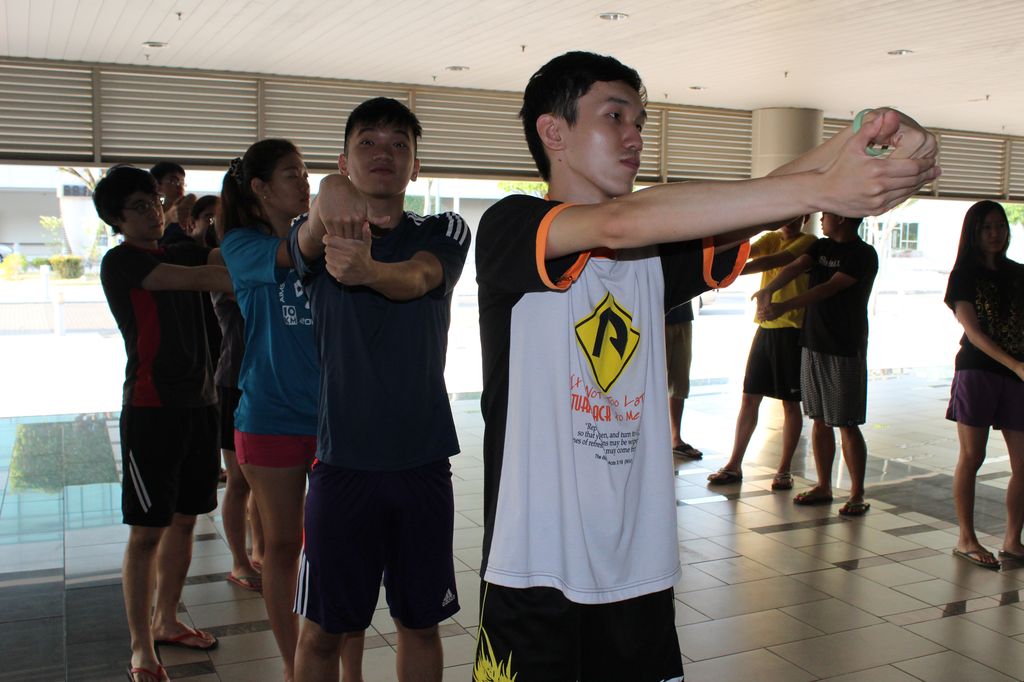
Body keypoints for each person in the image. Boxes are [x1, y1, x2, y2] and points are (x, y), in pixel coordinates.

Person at [474, 50, 938, 680]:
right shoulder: (511, 228)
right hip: (532, 568)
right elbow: (621, 221)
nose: (636, 137)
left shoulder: (652, 255)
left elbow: (752, 203)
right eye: (615, 117)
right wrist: (824, 186)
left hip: (637, 566)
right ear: (553, 132)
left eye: (640, 122)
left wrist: (858, 142)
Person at [290, 97, 470, 682]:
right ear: (345, 160)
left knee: (420, 624)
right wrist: (327, 192)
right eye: (367, 141)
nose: (383, 153)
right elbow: (308, 237)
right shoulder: (316, 236)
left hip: (422, 462)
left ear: (416, 166)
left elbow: (422, 276)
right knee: (321, 632)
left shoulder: (442, 229)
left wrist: (368, 271)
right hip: (342, 466)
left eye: (398, 144)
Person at [95, 166, 231, 682]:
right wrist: (246, 269)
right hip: (151, 410)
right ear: (116, 219)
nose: (153, 212)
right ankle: (140, 649)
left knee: (186, 520)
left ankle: (167, 620)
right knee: (147, 532)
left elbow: (217, 257)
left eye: (154, 202)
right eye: (139, 206)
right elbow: (202, 277)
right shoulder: (122, 262)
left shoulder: (178, 249)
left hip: (201, 403)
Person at [218, 140, 318, 682]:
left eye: (305, 173)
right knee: (282, 545)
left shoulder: (326, 241)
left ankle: (337, 661)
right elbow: (293, 252)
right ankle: (291, 661)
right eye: (291, 174)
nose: (304, 182)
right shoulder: (241, 245)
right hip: (270, 417)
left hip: (333, 420)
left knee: (333, 547)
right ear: (259, 189)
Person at [754, 212, 878, 516]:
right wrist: (769, 289)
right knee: (819, 419)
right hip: (812, 342)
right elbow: (794, 267)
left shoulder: (862, 254)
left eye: (827, 214)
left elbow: (828, 288)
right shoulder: (822, 246)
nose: (822, 218)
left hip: (843, 346)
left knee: (846, 423)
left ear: (844, 218)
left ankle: (857, 494)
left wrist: (783, 305)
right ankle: (824, 485)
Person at [944, 200, 1024, 570]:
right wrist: (1015, 365)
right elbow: (972, 332)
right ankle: (966, 538)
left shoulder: (1018, 273)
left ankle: (1012, 540)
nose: (996, 233)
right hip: (978, 371)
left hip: (1017, 375)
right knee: (972, 456)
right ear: (974, 232)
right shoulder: (964, 274)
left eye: (1000, 226)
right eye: (987, 227)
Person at [709, 215, 816, 488]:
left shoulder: (809, 242)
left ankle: (784, 470)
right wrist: (718, 259)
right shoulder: (771, 238)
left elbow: (776, 261)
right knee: (749, 397)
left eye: (796, 217)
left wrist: (728, 273)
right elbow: (745, 251)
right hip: (765, 328)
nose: (789, 222)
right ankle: (733, 465)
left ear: (806, 218)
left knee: (790, 403)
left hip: (792, 330)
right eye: (785, 217)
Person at [203, 195, 263, 590]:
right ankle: (241, 561)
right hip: (233, 382)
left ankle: (262, 551)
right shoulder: (223, 262)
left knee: (266, 483)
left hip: (266, 382)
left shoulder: (267, 256)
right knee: (240, 480)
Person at [665, 300, 702, 459]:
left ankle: (675, 438)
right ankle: (647, 437)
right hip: (654, 318)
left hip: (683, 315)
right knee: (651, 382)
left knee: (680, 380)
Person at [150, 161, 190, 245]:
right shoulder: (150, 213)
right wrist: (169, 217)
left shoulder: (188, 211)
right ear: (157, 186)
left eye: (182, 182)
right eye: (173, 181)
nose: (180, 186)